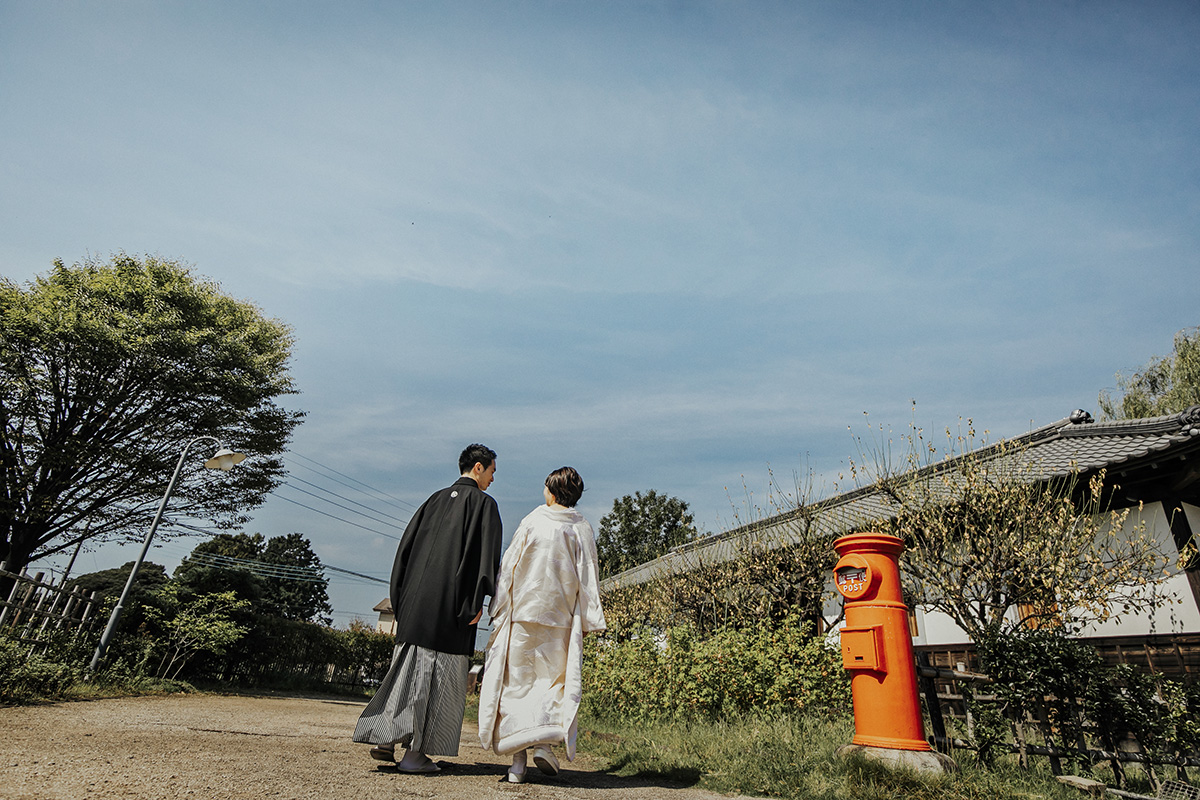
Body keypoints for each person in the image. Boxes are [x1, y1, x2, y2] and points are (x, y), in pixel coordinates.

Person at [354, 444, 503, 774]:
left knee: (406, 670)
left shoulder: (433, 500)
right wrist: (473, 605)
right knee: (435, 679)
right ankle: (416, 754)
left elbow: (404, 552)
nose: (494, 478)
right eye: (492, 471)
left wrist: (401, 600)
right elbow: (484, 561)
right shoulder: (484, 505)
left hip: (413, 606)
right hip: (450, 612)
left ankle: (385, 737)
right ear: (478, 468)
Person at [477, 466, 606, 783]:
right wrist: (589, 618)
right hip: (558, 618)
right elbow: (588, 574)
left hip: (524, 613)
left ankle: (517, 765)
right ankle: (544, 744)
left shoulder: (533, 520)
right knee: (551, 684)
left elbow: (509, 565)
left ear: (551, 491)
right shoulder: (581, 528)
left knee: (517, 686)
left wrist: (499, 606)